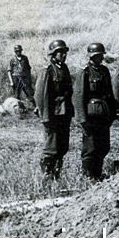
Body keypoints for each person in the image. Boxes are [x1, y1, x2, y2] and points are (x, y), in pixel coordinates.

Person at [72, 43, 117, 180]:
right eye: (96, 56)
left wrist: (113, 113)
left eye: (100, 55)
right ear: (91, 56)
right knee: (91, 147)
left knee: (103, 146)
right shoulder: (84, 72)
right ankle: (88, 175)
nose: (99, 58)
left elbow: (109, 93)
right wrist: (82, 119)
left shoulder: (104, 71)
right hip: (91, 116)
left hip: (103, 114)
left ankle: (97, 173)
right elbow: (78, 97)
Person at [34, 40, 74, 179]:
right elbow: (40, 95)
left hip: (64, 113)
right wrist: (45, 116)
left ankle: (57, 175)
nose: (63, 55)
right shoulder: (47, 71)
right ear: (53, 54)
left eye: (64, 52)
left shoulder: (64, 68)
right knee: (52, 146)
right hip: (52, 114)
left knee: (63, 146)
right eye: (60, 52)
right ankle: (47, 176)